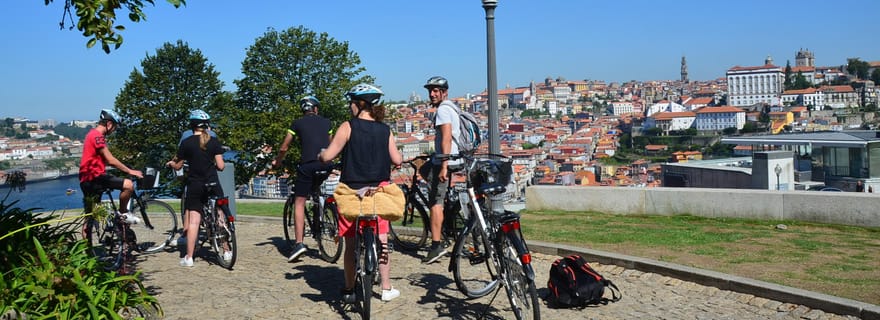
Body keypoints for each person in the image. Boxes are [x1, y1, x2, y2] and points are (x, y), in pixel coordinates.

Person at [318, 83, 403, 303]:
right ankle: (385, 288)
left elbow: (328, 156)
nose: (349, 107)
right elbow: (397, 160)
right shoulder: (385, 130)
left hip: (351, 193)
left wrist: (321, 156)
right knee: (381, 238)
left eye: (351, 103)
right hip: (379, 192)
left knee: (351, 244)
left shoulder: (348, 126)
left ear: (359, 104)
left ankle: (349, 289)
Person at [271, 96, 333, 262]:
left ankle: (299, 243)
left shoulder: (296, 124)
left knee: (299, 201)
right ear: (316, 109)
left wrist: (278, 161)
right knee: (317, 187)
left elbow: (285, 146)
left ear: (303, 110)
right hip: (326, 164)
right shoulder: (327, 122)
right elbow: (332, 144)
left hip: (308, 165)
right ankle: (321, 213)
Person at [166, 110, 228, 267]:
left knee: (194, 221)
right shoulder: (214, 142)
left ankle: (189, 257)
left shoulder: (186, 143)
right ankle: (227, 251)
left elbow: (178, 164)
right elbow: (221, 166)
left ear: (192, 125)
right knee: (220, 216)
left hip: (195, 184)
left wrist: (172, 164)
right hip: (213, 183)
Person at [419, 76, 462, 264]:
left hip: (446, 161)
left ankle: (436, 245)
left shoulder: (444, 110)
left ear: (445, 92)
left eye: (436, 90)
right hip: (453, 158)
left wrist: (443, 165)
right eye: (430, 90)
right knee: (425, 169)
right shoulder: (453, 107)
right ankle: (448, 218)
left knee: (435, 202)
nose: (432, 93)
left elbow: (445, 137)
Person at [79, 109, 144, 224]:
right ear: (109, 124)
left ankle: (87, 242)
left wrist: (123, 167)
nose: (114, 130)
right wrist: (130, 171)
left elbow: (105, 160)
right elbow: (110, 159)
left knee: (90, 217)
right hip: (95, 177)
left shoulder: (91, 134)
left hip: (86, 179)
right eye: (115, 127)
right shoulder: (97, 137)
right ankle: (123, 213)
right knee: (128, 185)